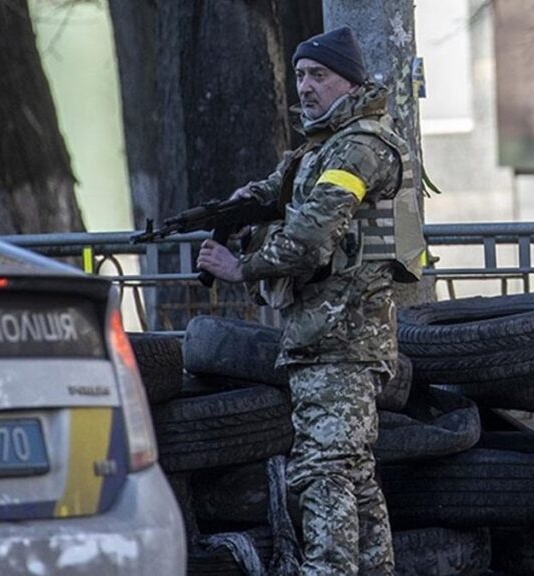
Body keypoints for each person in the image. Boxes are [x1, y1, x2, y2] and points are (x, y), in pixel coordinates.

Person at [196, 25, 424, 576]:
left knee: (323, 473)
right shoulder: (321, 147)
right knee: (352, 475)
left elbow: (311, 237)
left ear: (350, 81)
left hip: (344, 336)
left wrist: (240, 267)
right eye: (299, 75)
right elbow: (277, 189)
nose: (304, 86)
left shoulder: (361, 146)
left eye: (317, 74)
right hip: (323, 335)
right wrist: (230, 209)